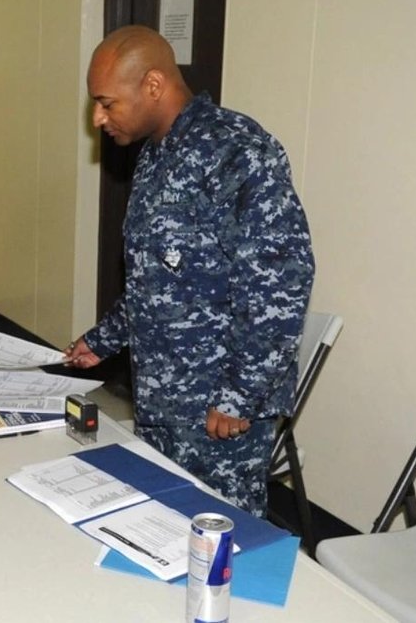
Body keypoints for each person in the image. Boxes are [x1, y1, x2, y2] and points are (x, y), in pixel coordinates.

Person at [64, 26, 315, 516]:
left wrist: (239, 396)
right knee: (157, 524)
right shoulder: (156, 154)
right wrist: (104, 339)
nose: (97, 117)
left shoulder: (237, 151)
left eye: (106, 102)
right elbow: (155, 279)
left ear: (153, 86)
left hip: (218, 408)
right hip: (163, 397)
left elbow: (281, 285)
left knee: (221, 541)